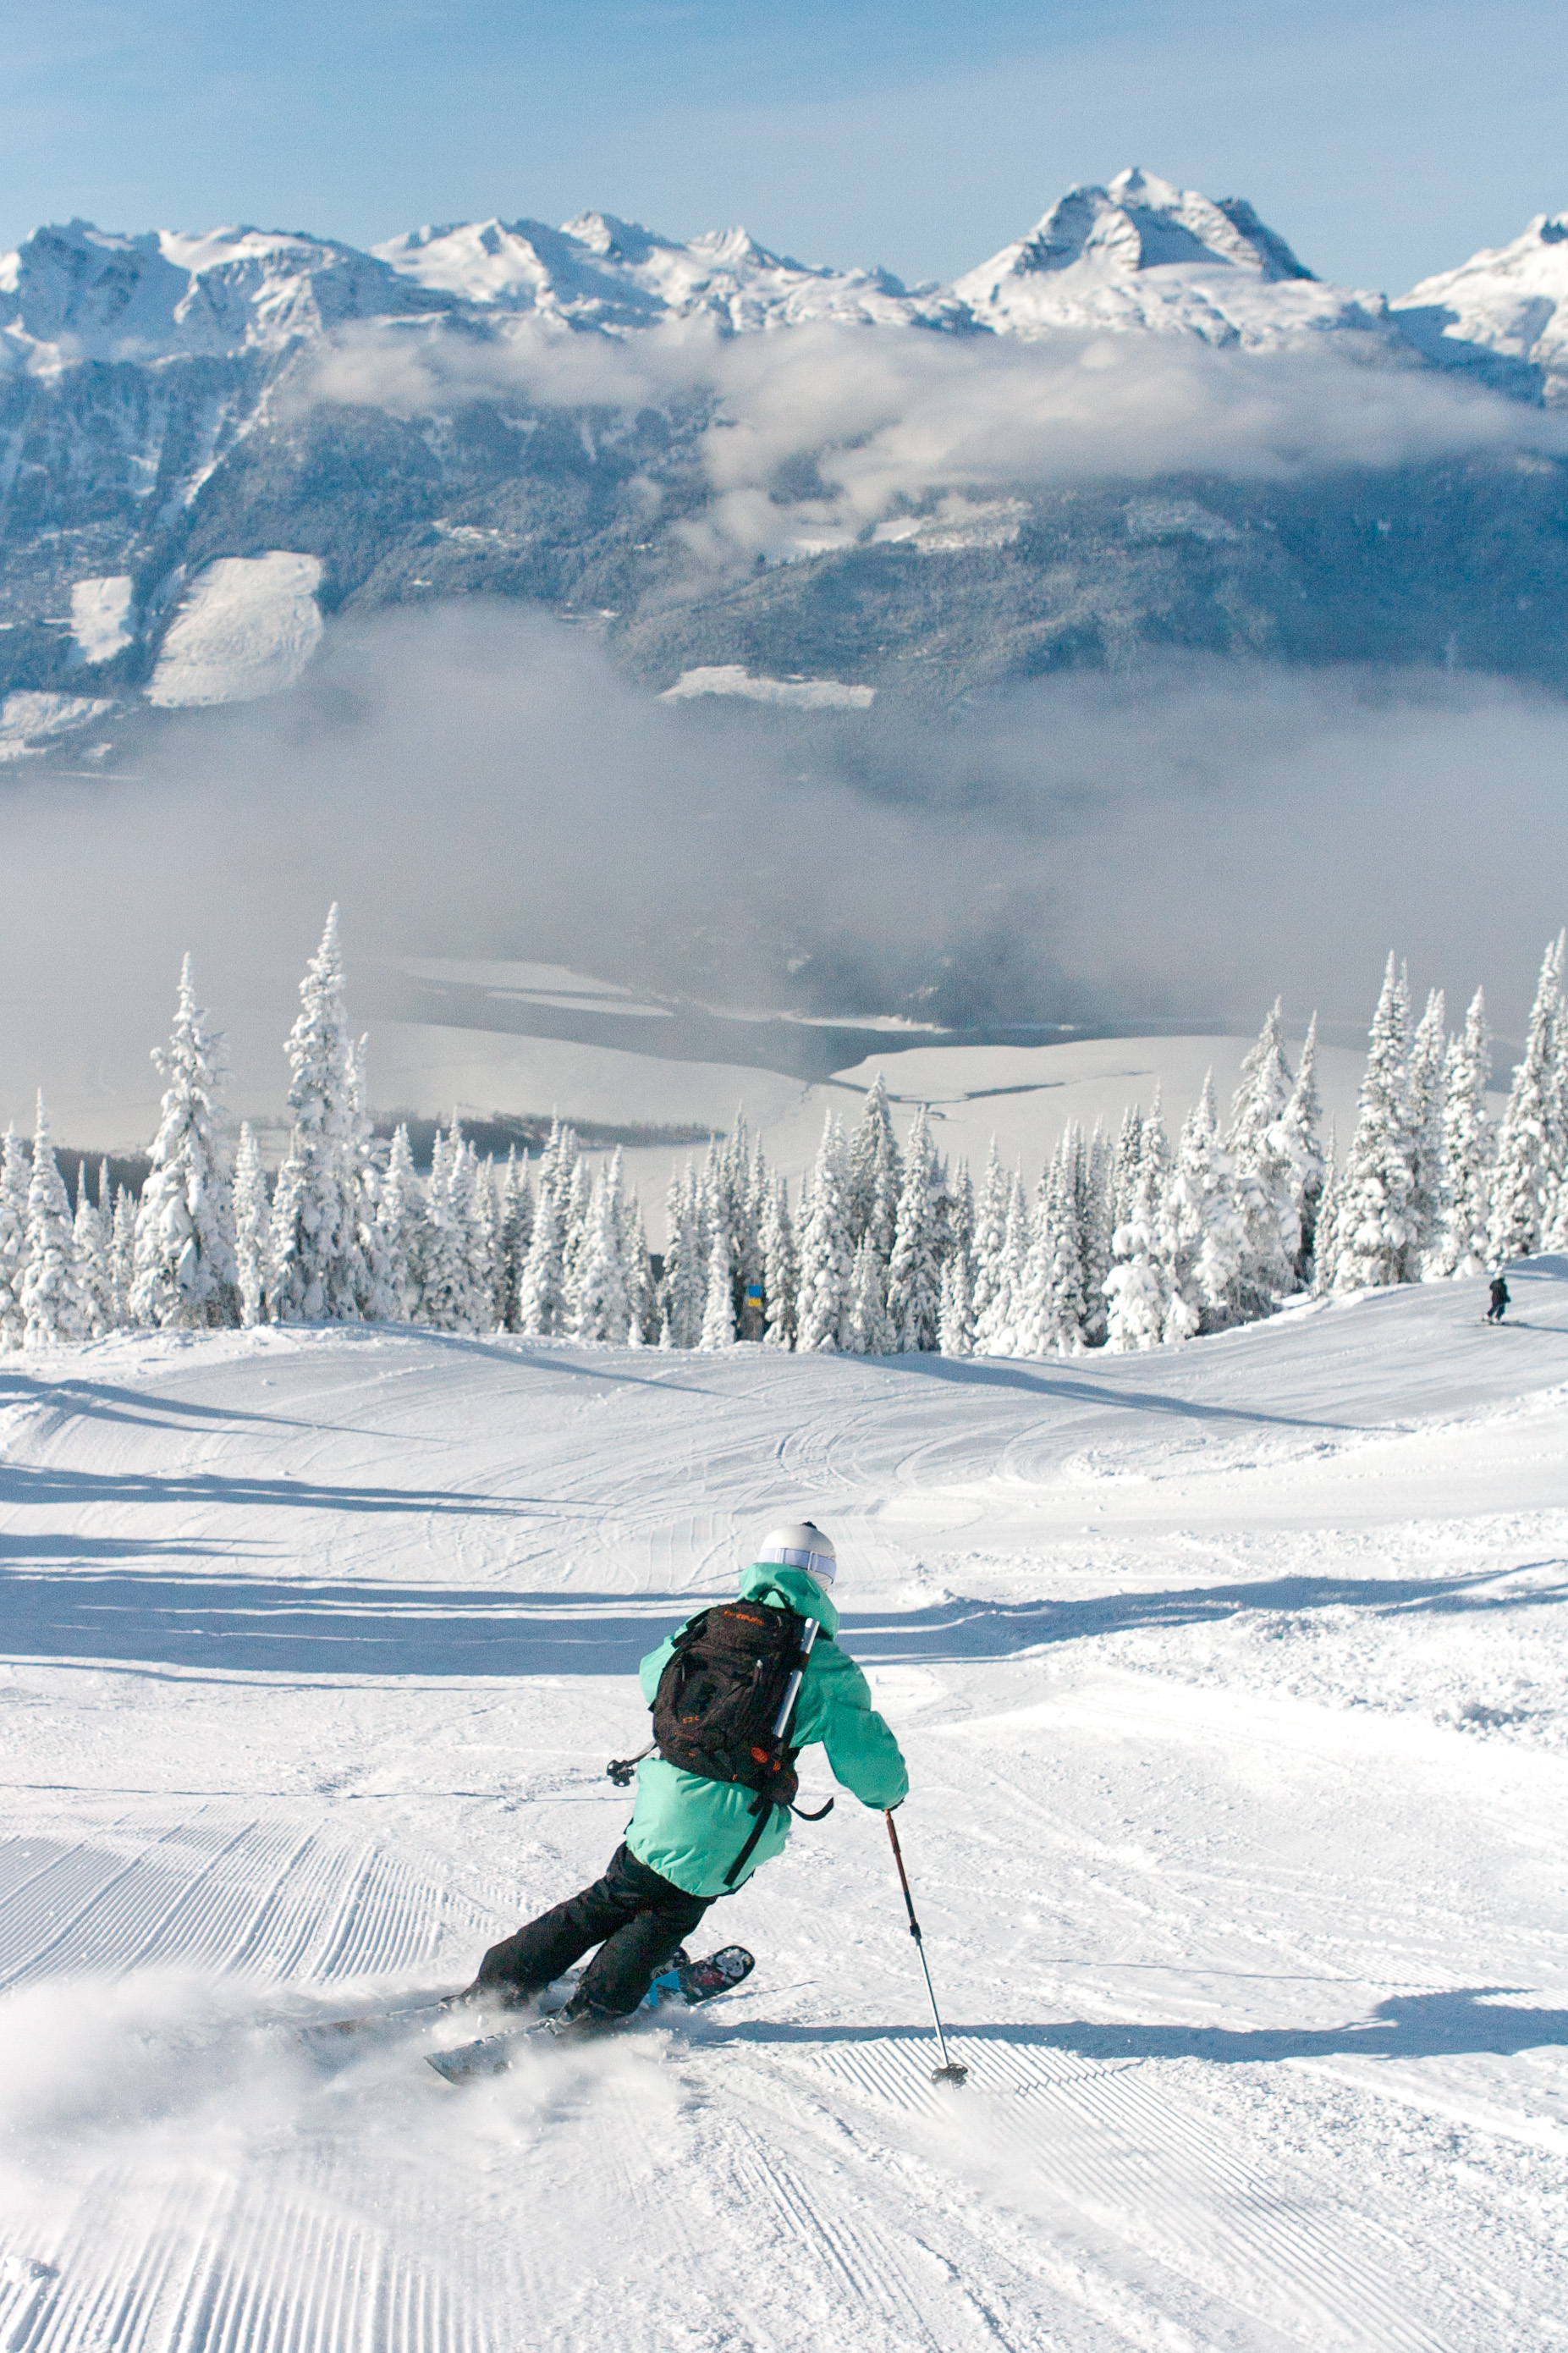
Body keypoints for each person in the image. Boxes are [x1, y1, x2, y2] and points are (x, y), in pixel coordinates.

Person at [459, 1520, 908, 2036]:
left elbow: (654, 1674)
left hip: (665, 1793)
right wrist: (888, 1795)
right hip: (733, 1819)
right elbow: (866, 1760)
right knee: (666, 1915)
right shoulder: (823, 1664)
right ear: (824, 1582)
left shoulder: (712, 1624)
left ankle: (499, 1984)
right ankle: (593, 2013)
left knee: (609, 1897)